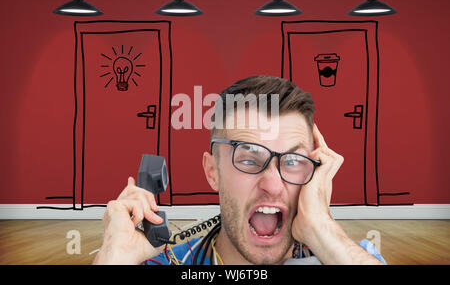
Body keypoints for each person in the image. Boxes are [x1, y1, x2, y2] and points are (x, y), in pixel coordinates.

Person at [93, 75, 386, 265]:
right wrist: (113, 256)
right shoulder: (163, 262)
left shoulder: (347, 255)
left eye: (293, 161)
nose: (272, 185)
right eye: (248, 160)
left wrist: (322, 231)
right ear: (212, 172)